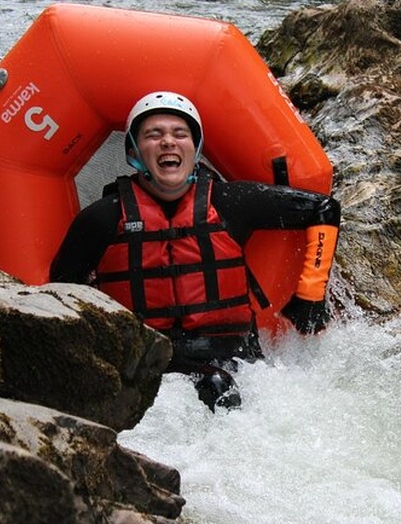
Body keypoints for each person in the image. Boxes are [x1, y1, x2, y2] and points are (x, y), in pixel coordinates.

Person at [50, 91, 340, 412]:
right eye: (153, 135)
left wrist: (311, 296)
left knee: (217, 386)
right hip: (145, 364)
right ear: (133, 151)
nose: (168, 142)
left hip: (233, 362)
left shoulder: (230, 203)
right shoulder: (101, 219)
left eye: (180, 134)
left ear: (195, 148)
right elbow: (60, 293)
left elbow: (324, 209)